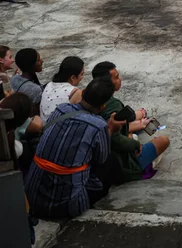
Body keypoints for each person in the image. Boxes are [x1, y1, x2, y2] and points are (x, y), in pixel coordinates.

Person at [24, 78, 124, 219]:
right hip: (65, 206)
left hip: (33, 194)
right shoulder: (98, 125)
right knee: (111, 159)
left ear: (82, 93)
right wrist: (111, 129)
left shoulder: (61, 109)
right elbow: (101, 159)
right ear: (102, 107)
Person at [92, 61, 170, 184]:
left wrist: (139, 124)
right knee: (164, 140)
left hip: (99, 157)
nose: (120, 79)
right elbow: (115, 139)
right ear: (107, 83)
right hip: (122, 164)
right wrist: (134, 144)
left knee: (137, 124)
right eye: (116, 77)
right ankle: (148, 165)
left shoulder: (90, 97)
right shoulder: (113, 106)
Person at [40, 56, 85, 123]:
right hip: (58, 129)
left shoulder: (49, 85)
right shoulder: (75, 92)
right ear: (73, 77)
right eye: (81, 74)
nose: (82, 78)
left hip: (44, 129)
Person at [10, 48, 43, 114]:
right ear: (31, 65)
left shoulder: (14, 78)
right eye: (38, 60)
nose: (42, 61)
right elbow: (40, 112)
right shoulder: (35, 89)